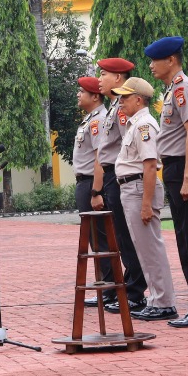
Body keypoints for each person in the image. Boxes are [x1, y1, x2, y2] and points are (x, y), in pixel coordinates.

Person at [144, 37, 188, 328]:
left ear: (171, 60)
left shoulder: (184, 88)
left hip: (184, 169)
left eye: (154, 60)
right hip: (173, 169)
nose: (150, 66)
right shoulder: (172, 89)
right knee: (185, 240)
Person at [111, 77, 177, 321]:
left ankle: (164, 302)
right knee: (144, 248)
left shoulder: (143, 125)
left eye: (125, 98)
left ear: (138, 100)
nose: (120, 103)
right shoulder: (135, 124)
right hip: (133, 188)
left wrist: (147, 204)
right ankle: (157, 299)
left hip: (139, 188)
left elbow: (150, 166)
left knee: (151, 248)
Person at [91, 58, 148, 312]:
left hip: (119, 175)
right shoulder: (115, 106)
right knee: (121, 238)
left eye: (104, 74)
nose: (99, 80)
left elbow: (130, 146)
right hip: (112, 176)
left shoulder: (123, 109)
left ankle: (136, 292)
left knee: (128, 237)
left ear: (118, 78)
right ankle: (129, 286)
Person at [71, 76, 113, 305]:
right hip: (85, 182)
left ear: (94, 96)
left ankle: (109, 290)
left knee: (101, 240)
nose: (78, 94)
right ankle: (103, 288)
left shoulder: (99, 120)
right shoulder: (90, 119)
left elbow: (100, 157)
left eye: (82, 91)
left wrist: (97, 190)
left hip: (92, 183)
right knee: (95, 241)